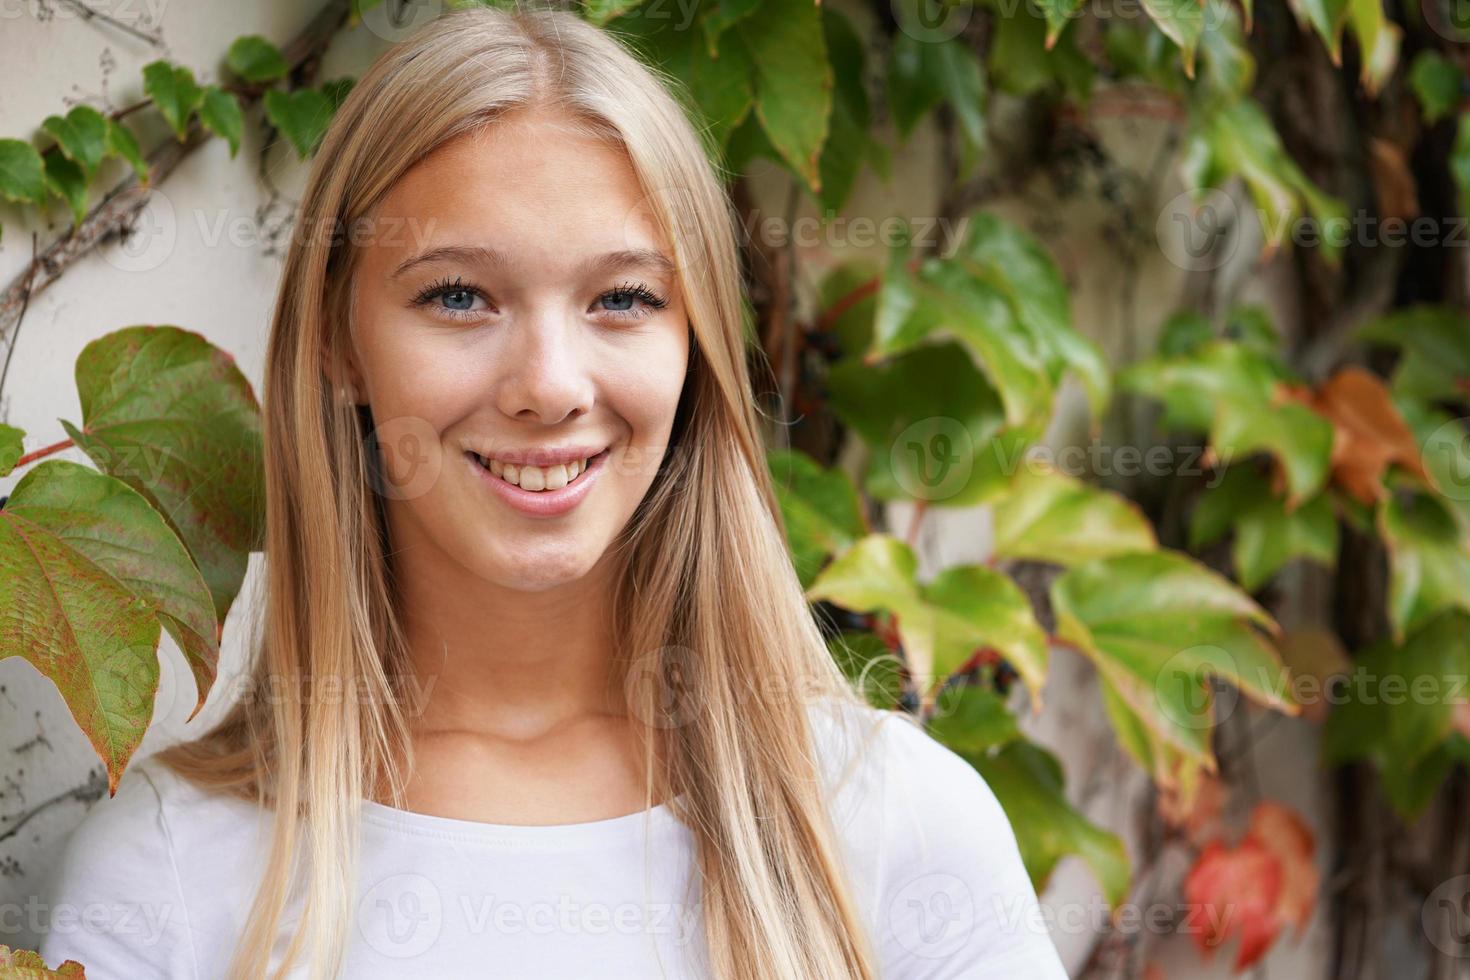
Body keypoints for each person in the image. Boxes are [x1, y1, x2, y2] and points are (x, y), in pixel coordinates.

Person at [35, 5, 1069, 978]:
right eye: (457, 295)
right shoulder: (168, 872)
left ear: (697, 343)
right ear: (338, 345)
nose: (550, 385)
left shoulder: (897, 824)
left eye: (623, 298)